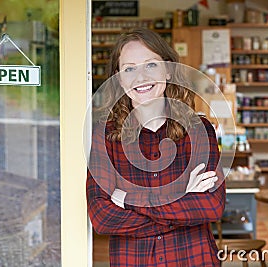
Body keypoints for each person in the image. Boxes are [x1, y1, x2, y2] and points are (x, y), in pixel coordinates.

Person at [86, 28, 226, 266]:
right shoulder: (105, 136)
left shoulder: (199, 130)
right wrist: (181, 197)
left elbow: (211, 206)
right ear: (119, 79)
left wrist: (128, 200)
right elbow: (102, 217)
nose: (140, 78)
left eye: (150, 65)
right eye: (129, 69)